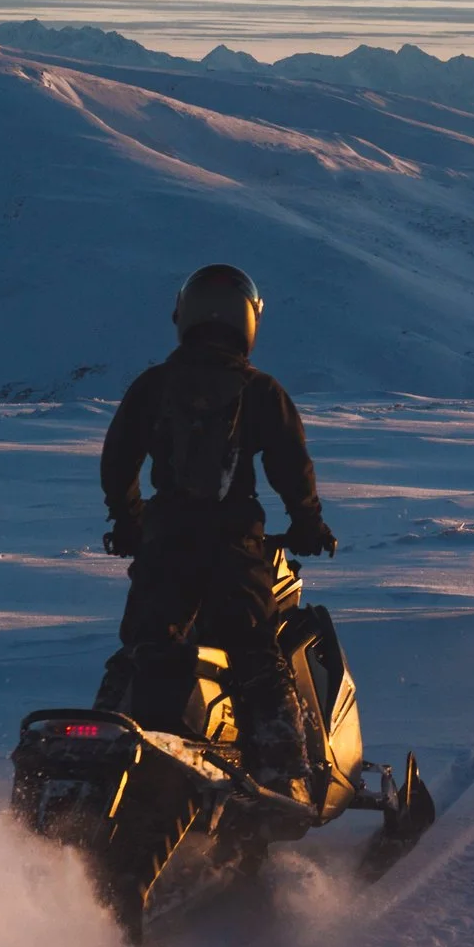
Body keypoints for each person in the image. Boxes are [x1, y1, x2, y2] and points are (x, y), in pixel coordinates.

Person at [93, 264, 336, 802]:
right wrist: (308, 523)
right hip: (233, 547)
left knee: (143, 647)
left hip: (164, 544)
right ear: (247, 323)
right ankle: (282, 774)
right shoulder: (259, 390)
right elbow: (292, 466)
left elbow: (118, 461)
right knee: (256, 654)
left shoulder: (153, 386)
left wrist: (130, 520)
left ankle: (103, 750)